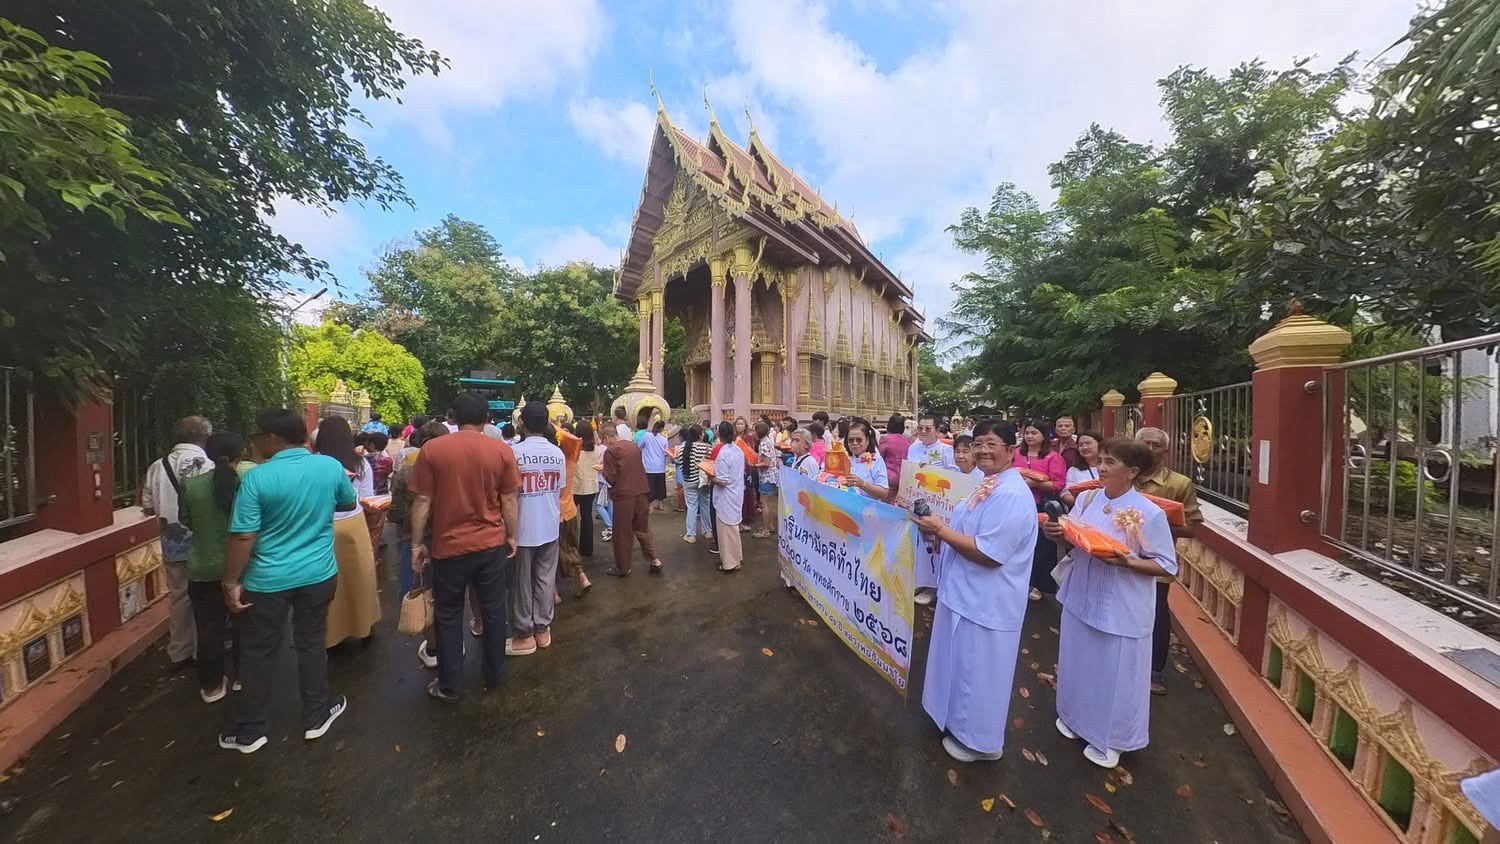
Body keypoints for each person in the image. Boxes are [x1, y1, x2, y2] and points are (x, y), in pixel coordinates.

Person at [219, 408, 356, 753]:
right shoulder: (329, 467)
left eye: (257, 436)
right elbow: (348, 501)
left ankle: (251, 730)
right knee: (311, 642)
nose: (254, 442)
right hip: (318, 573)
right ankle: (316, 715)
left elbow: (242, 537)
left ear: (273, 438)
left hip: (267, 580)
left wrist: (230, 581)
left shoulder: (257, 479)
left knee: (258, 651)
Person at [1043, 438, 1177, 768]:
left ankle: (1113, 738)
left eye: (1110, 462)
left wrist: (1128, 562)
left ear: (1132, 472)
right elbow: (1073, 533)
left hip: (1120, 601)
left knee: (1115, 672)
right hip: (1082, 592)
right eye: (1101, 460)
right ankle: (1075, 717)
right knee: (1079, 661)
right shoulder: (1088, 498)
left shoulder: (1148, 513)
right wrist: (1057, 533)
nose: (1101, 467)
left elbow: (1167, 565)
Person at [913, 420, 1036, 763]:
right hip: (964, 594)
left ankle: (980, 742)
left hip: (987, 601)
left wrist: (941, 529)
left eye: (991, 444)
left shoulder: (1011, 494)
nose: (982, 450)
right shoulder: (988, 484)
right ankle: (956, 723)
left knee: (978, 675)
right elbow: (966, 528)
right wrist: (940, 532)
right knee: (962, 665)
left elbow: (990, 554)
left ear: (1011, 450)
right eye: (978, 443)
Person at [409, 391, 521, 703]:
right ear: (488, 418)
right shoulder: (501, 451)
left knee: (448, 613)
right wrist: (512, 535)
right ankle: (495, 674)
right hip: (489, 544)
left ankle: (449, 685)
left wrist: (417, 544)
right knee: (494, 610)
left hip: (449, 547)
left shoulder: (432, 450)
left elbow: (422, 501)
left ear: (453, 418)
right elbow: (509, 500)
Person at [179, 431, 253, 703]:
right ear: (242, 452)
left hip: (203, 566)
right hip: (244, 566)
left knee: (209, 629)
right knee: (244, 625)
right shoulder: (250, 481)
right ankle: (242, 677)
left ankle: (211, 687)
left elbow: (185, 519)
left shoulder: (191, 484)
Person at [1135, 426, 1204, 696]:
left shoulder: (1179, 484)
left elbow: (1192, 527)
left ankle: (1155, 672)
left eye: (1156, 445)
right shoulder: (1124, 477)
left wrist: (1154, 525)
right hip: (1119, 557)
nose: (1150, 450)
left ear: (1165, 450)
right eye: (1145, 444)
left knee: (1157, 616)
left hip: (1156, 562)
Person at [142, 415, 214, 668]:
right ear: (205, 437)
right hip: (204, 543)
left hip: (172, 542)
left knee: (179, 596)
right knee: (206, 598)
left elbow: (148, 507)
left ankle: (179, 650)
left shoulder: (156, 466)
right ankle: (202, 649)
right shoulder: (207, 464)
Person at [313, 416, 382, 647]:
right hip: (354, 526)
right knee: (361, 578)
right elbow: (366, 499)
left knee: (328, 582)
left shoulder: (314, 463)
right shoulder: (361, 464)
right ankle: (364, 627)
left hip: (321, 527)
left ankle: (331, 636)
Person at [504, 402, 565, 656]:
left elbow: (507, 495)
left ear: (522, 423)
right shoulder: (557, 454)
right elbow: (559, 489)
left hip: (522, 529)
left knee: (520, 584)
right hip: (550, 526)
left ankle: (525, 635)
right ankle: (542, 629)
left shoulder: (514, 453)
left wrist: (508, 532)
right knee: (545, 579)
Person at [390, 420, 449, 669]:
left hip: (416, 541)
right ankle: (451, 643)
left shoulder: (406, 470)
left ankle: (434, 647)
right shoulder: (454, 469)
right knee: (448, 595)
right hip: (449, 538)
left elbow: (395, 512)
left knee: (422, 592)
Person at [600, 422, 663, 576]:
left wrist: (602, 471)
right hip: (641, 492)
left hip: (624, 496)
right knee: (642, 529)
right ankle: (655, 560)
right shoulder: (633, 446)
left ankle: (623, 567)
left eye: (603, 439)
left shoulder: (611, 451)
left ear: (607, 437)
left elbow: (612, 477)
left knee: (622, 532)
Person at [1016, 421, 1067, 602]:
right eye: (1027, 432)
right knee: (1019, 544)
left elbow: (1057, 485)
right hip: (1018, 504)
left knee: (1043, 547)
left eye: (1034, 433)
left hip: (1041, 506)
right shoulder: (1016, 453)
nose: (1029, 436)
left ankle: (1040, 585)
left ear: (1044, 436)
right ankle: (1020, 581)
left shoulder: (1053, 457)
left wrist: (1034, 483)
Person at [552, 419, 590, 599]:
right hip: (570, 512)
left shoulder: (551, 460)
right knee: (571, 548)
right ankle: (582, 577)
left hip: (554, 515)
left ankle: (554, 593)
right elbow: (575, 440)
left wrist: (550, 425)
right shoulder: (571, 458)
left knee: (551, 554)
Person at [710, 420, 746, 572]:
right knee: (733, 530)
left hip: (726, 496)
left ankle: (730, 563)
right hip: (736, 493)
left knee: (726, 532)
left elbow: (723, 481)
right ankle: (736, 557)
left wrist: (712, 478)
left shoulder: (723, 453)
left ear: (719, 434)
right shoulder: (738, 450)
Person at [837, 420, 889, 499]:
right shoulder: (844, 458)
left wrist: (863, 484)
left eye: (859, 440)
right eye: (851, 440)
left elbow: (884, 493)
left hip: (868, 509)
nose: (855, 443)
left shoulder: (875, 460)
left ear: (867, 441)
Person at [572, 420, 602, 558]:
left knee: (571, 518)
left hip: (575, 487)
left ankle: (570, 546)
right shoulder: (597, 449)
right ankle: (587, 548)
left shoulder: (574, 449)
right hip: (591, 487)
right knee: (587, 516)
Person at [680, 425, 711, 543]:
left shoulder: (683, 447)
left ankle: (691, 534)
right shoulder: (707, 447)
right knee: (705, 505)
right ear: (700, 435)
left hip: (689, 481)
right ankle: (707, 531)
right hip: (703, 481)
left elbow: (681, 464)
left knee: (692, 507)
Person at [1060, 431, 1104, 507]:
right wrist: (1082, 503)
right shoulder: (1074, 470)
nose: (1084, 447)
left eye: (1088, 443)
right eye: (1080, 445)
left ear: (1100, 444)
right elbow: (1065, 493)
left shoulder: (1111, 467)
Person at [754, 420, 780, 538]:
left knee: (764, 504)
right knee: (768, 503)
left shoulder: (764, 443)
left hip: (766, 477)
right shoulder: (768, 441)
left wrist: (753, 464)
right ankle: (769, 525)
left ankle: (765, 530)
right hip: (771, 476)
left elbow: (766, 463)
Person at [641, 418, 669, 512]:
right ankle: (660, 504)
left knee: (650, 486)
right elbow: (666, 453)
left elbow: (639, 446)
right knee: (660, 486)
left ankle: (650, 506)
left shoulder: (646, 436)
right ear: (662, 429)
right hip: (660, 466)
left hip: (649, 466)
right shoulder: (664, 439)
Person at [879, 413, 909, 490]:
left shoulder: (885, 439)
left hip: (889, 475)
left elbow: (879, 456)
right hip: (903, 475)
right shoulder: (905, 439)